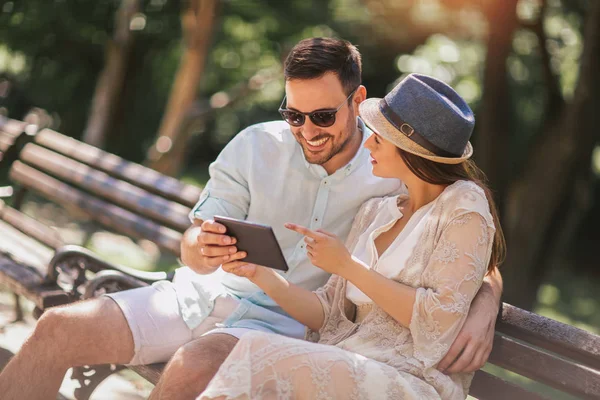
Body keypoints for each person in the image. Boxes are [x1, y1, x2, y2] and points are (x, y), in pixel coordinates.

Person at [0, 38, 502, 400]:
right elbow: (194, 242)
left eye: (323, 117)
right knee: (58, 327)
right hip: (203, 296)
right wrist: (203, 247)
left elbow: (469, 252)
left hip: (285, 327)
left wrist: (487, 302)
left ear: (357, 101)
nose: (307, 130)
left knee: (191, 369)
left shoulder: (392, 171)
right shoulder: (258, 146)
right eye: (294, 115)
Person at [199, 73, 506, 400]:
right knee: (251, 346)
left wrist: (347, 266)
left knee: (256, 358)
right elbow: (327, 315)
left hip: (411, 381)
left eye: (380, 137)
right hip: (349, 362)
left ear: (411, 149)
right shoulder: (377, 212)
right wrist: (260, 274)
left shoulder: (464, 204)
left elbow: (439, 321)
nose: (368, 143)